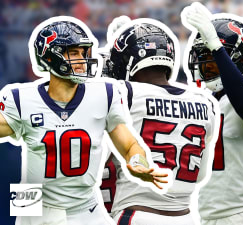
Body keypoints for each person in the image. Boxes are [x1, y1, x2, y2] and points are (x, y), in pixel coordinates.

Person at [0, 16, 168, 225]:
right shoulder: (21, 98)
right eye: (73, 52)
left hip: (85, 207)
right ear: (50, 57)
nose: (82, 59)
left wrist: (137, 162)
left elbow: (129, 145)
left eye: (83, 52)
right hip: (37, 206)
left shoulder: (105, 94)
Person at [100, 18, 219, 225]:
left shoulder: (123, 93)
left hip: (137, 213)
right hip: (185, 217)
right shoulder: (204, 102)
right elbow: (199, 175)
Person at [182, 3, 243, 224]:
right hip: (207, 215)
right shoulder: (202, 98)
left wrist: (217, 48)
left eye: (211, 55)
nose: (206, 63)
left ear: (238, 58)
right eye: (203, 54)